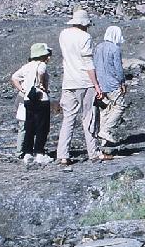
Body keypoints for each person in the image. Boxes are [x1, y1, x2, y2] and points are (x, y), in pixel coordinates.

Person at [57, 9, 110, 165]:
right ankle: (93, 152)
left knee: (68, 119)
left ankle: (63, 154)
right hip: (84, 82)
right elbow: (88, 63)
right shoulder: (85, 37)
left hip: (68, 82)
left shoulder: (63, 35)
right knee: (89, 118)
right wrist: (97, 85)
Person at [11, 43, 53, 164]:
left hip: (28, 98)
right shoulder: (42, 65)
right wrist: (41, 84)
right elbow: (41, 72)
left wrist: (22, 89)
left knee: (29, 126)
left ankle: (27, 153)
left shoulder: (26, 66)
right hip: (41, 98)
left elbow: (14, 77)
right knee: (42, 126)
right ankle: (39, 152)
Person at [93, 25, 127, 145]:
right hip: (112, 83)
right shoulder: (115, 49)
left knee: (105, 110)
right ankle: (106, 130)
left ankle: (103, 140)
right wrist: (122, 82)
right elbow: (118, 68)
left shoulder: (98, 47)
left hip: (100, 84)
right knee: (120, 106)